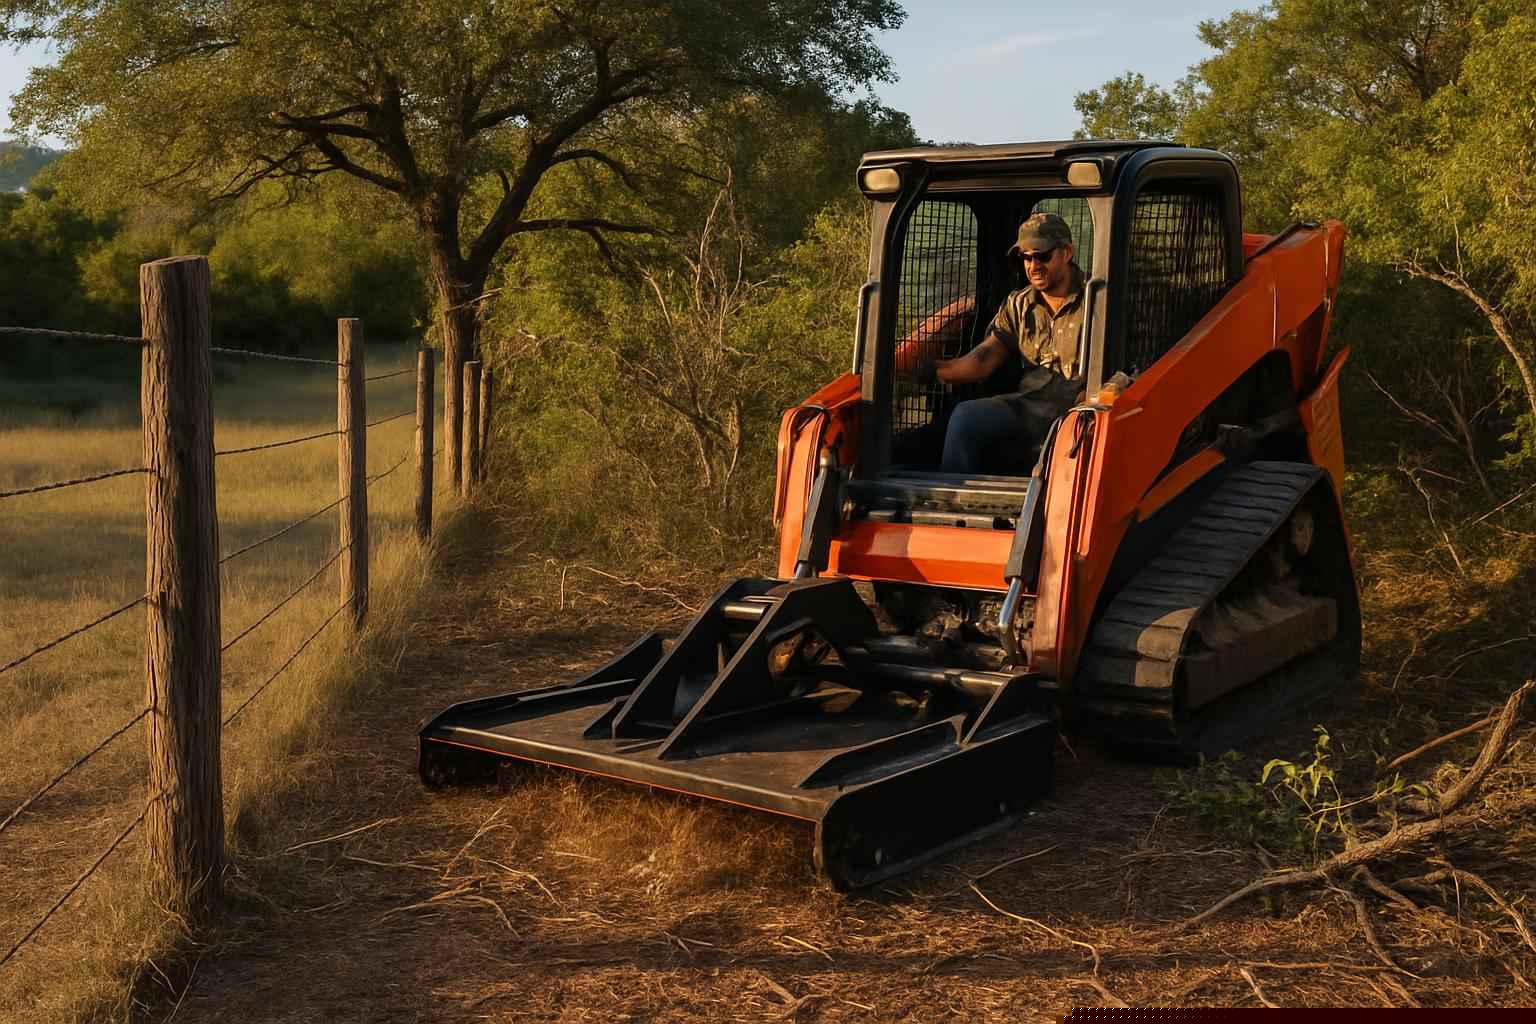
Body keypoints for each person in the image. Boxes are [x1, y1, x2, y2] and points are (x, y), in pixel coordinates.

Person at [929, 211, 1086, 474]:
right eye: (1026, 257)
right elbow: (985, 358)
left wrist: (1091, 399)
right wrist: (934, 370)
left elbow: (1123, 370)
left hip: (1079, 415)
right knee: (965, 417)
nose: (1033, 266)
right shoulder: (1019, 304)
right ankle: (954, 504)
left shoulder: (1097, 298)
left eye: (1042, 256)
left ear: (1067, 252)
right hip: (1029, 409)